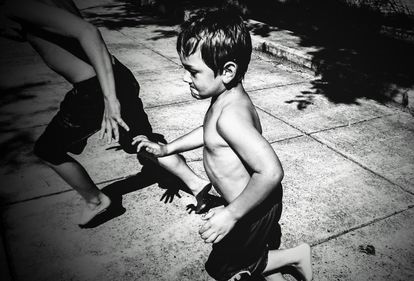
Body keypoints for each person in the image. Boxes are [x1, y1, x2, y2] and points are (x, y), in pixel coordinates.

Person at [133, 7, 312, 281]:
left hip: (254, 207)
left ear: (227, 71)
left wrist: (231, 214)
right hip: (245, 204)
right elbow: (208, 133)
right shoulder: (224, 102)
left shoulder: (232, 116)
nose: (185, 78)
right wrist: (168, 149)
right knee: (249, 260)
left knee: (224, 268)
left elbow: (272, 172)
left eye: (192, 71)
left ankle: (295, 257)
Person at [2, 0, 210, 227]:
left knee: (48, 150)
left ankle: (95, 200)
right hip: (117, 75)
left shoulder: (16, 5)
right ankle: (196, 183)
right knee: (140, 142)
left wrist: (110, 100)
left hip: (93, 91)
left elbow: (88, 32)